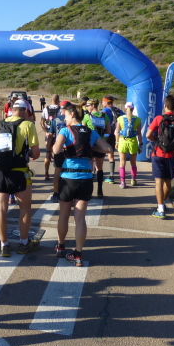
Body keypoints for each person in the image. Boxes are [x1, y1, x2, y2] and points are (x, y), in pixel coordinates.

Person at [53, 103, 111, 266]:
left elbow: (56, 150)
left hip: (68, 177)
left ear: (72, 115)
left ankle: (60, 246)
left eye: (65, 115)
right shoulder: (91, 132)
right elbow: (108, 148)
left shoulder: (65, 130)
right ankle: (78, 255)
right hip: (86, 178)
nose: (64, 118)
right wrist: (90, 148)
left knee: (64, 215)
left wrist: (63, 146)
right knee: (80, 218)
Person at [0, 99, 40, 257]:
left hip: (0, 171)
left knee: (0, 209)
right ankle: (24, 243)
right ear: (25, 111)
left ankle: (4, 245)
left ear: (12, 109)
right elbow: (36, 153)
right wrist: (25, 152)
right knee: (24, 209)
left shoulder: (0, 124)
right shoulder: (28, 125)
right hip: (19, 172)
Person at [146, 94, 174, 218]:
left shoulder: (159, 118)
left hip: (158, 153)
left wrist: (156, 140)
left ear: (165, 105)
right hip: (171, 155)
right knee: (168, 182)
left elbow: (148, 135)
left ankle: (160, 209)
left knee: (158, 182)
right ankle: (163, 203)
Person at [82, 99, 110, 198]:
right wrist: (103, 139)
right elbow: (108, 131)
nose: (86, 107)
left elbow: (82, 131)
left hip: (90, 145)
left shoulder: (86, 116)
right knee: (99, 168)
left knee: (89, 169)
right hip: (100, 145)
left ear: (93, 105)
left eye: (88, 105)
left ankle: (88, 191)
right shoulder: (105, 116)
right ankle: (100, 191)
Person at [114, 102, 143, 188]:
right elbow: (139, 133)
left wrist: (117, 142)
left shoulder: (120, 118)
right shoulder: (138, 119)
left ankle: (123, 182)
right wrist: (140, 144)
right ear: (133, 109)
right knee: (133, 162)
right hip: (133, 142)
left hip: (122, 141)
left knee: (122, 163)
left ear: (125, 108)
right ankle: (133, 180)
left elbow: (117, 132)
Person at [47, 100, 70, 202]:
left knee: (57, 171)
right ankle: (68, 193)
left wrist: (48, 150)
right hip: (71, 149)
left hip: (58, 149)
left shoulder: (55, 120)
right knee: (69, 172)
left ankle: (56, 193)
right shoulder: (73, 120)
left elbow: (50, 136)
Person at [101, 95, 123, 184]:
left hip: (106, 134)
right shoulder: (119, 110)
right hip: (116, 135)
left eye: (103, 102)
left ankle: (98, 174)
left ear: (106, 102)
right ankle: (111, 176)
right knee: (111, 155)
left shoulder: (105, 110)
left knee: (100, 155)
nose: (102, 103)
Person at [40, 94, 61, 181]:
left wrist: (46, 132)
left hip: (49, 133)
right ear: (58, 100)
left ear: (50, 100)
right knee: (58, 154)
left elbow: (42, 122)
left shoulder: (46, 109)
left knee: (48, 153)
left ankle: (46, 173)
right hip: (58, 134)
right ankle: (57, 173)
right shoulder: (60, 109)